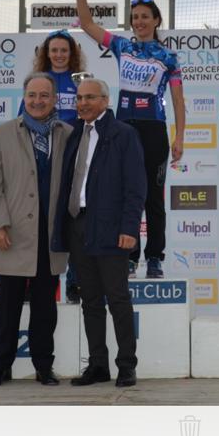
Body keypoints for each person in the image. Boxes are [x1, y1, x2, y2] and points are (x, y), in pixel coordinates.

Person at [72, 0, 185, 279]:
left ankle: (155, 257)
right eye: (135, 17)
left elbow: (178, 100)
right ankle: (130, 255)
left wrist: (180, 137)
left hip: (154, 130)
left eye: (145, 16)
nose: (139, 22)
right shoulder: (123, 47)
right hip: (123, 130)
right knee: (125, 194)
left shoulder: (168, 57)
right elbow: (87, 24)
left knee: (154, 199)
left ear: (156, 20)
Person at [52, 77, 146, 387]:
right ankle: (98, 365)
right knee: (90, 300)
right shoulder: (74, 134)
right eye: (79, 98)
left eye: (90, 97)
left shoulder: (123, 134)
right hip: (78, 225)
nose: (83, 103)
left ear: (105, 100)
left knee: (117, 298)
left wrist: (129, 228)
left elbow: (136, 187)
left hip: (111, 228)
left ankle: (127, 366)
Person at [0, 72, 73, 388]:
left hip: (51, 237)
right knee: (8, 306)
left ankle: (44, 367)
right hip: (14, 234)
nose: (37, 101)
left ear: (55, 99)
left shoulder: (68, 134)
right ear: (24, 97)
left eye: (44, 95)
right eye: (32, 95)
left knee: (45, 308)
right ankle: (0, 367)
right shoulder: (3, 133)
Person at [18, 29, 88, 303]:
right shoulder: (39, 81)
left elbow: (91, 114)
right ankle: (31, 282)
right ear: (46, 53)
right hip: (44, 159)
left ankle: (75, 283)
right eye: (54, 50)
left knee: (73, 220)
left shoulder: (81, 80)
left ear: (72, 54)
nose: (59, 55)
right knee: (39, 222)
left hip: (73, 158)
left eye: (64, 50)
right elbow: (22, 119)